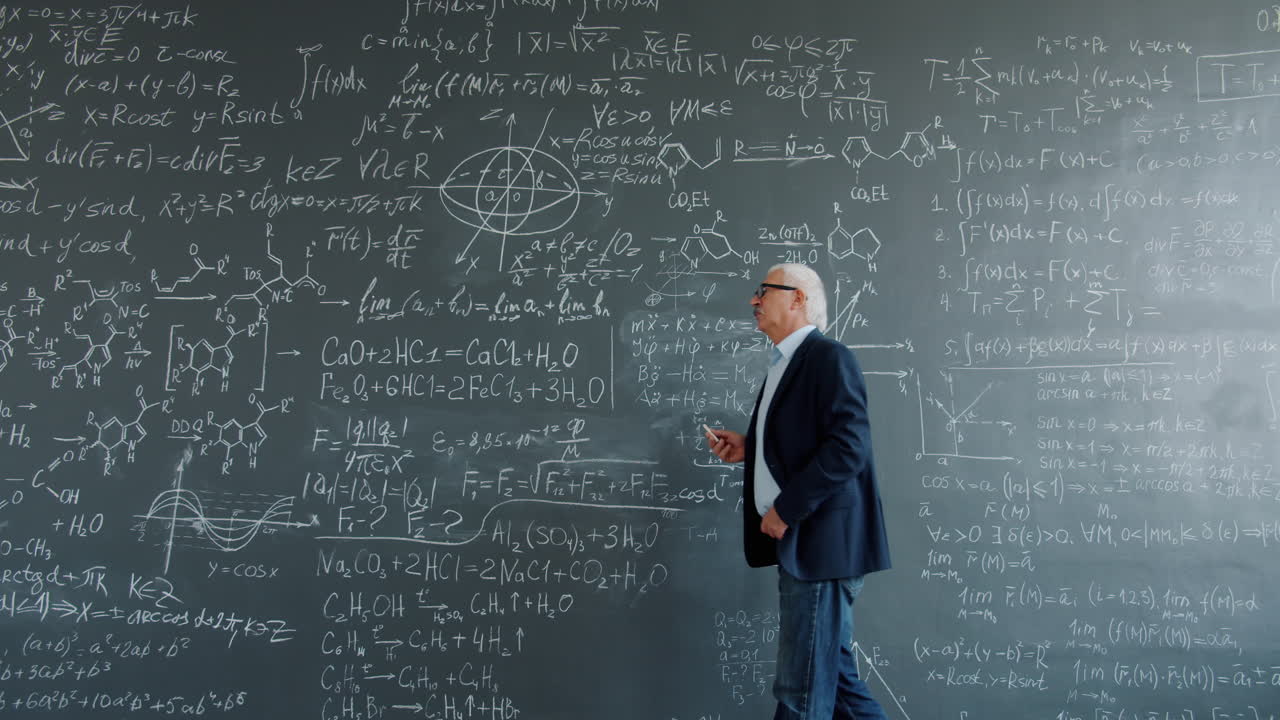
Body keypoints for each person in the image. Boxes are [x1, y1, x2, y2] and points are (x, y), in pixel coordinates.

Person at [706, 263, 891, 720]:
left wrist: (786, 509)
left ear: (797, 299)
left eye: (763, 291)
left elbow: (850, 447)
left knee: (801, 690)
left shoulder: (828, 357)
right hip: (805, 547)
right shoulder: (784, 365)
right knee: (837, 681)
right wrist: (752, 449)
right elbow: (811, 443)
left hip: (820, 545)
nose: (753, 301)